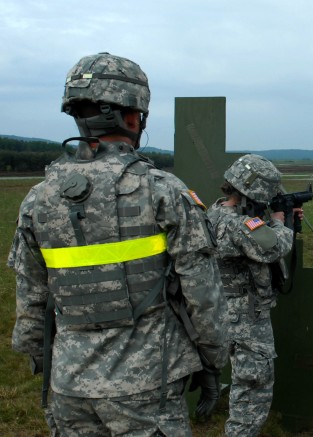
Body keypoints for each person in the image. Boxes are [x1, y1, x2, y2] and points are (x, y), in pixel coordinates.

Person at [9, 52, 228, 436]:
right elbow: (203, 295)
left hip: (69, 387)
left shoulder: (38, 199)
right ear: (131, 116)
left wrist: (48, 361)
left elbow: (30, 305)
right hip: (146, 389)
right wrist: (212, 360)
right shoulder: (161, 191)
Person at [207, 154, 300, 437]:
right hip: (245, 317)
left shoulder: (216, 211)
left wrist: (273, 221)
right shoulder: (239, 224)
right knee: (253, 386)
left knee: (246, 380)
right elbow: (273, 247)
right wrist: (279, 221)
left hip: (225, 309)